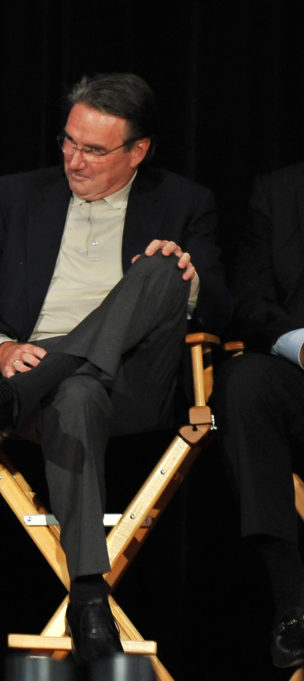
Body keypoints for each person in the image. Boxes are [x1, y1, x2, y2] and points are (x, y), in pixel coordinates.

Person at [0, 73, 230, 664]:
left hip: (130, 384)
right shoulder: (12, 195)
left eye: (93, 150)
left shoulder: (183, 202)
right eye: (68, 142)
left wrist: (186, 280)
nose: (74, 159)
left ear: (138, 151)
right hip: (47, 387)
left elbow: (227, 309)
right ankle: (90, 597)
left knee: (164, 269)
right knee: (73, 392)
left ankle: (32, 386)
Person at [212, 163, 304, 670]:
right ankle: (293, 600)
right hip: (300, 370)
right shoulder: (279, 190)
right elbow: (249, 298)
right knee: (244, 381)